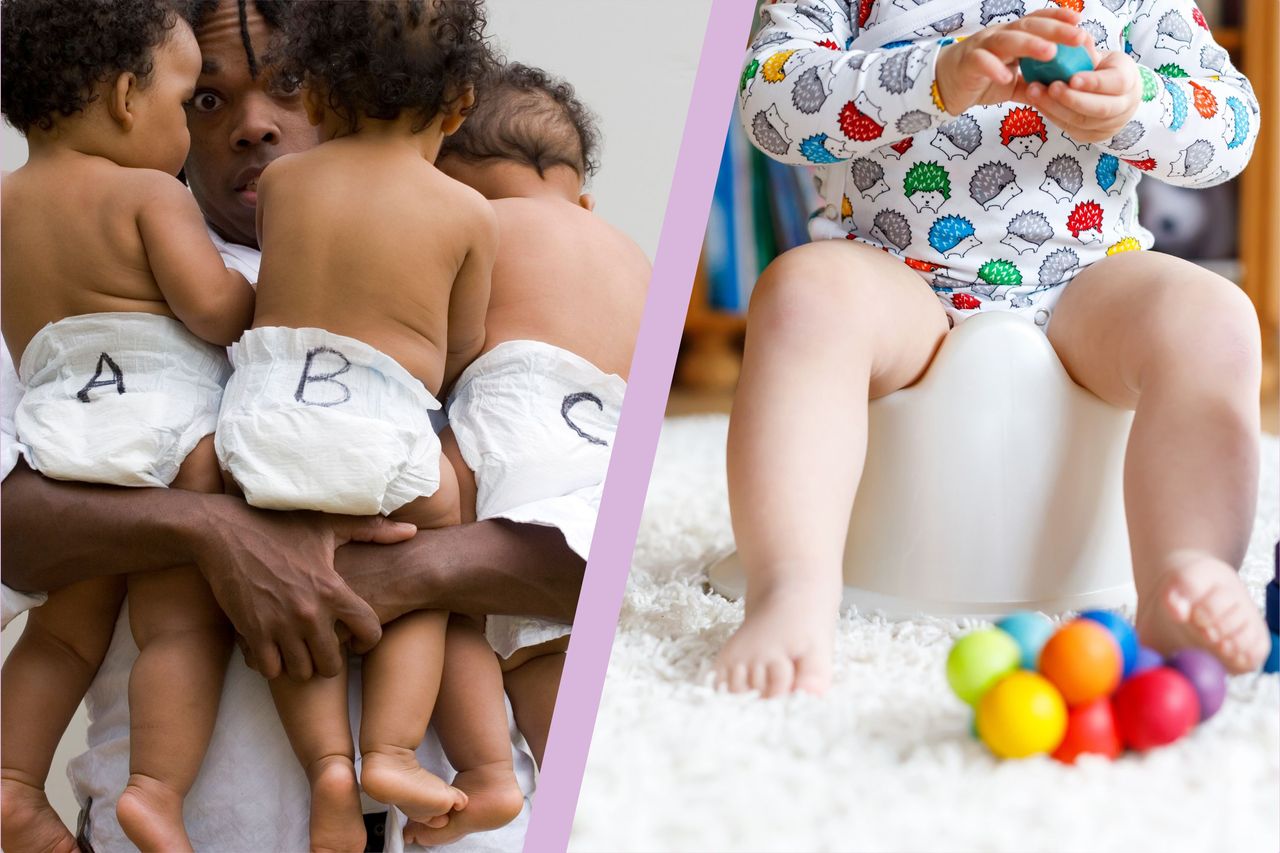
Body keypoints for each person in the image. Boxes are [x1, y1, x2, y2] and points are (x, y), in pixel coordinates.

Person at [0, 1, 581, 849]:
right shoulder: (91, 280)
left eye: (289, 85)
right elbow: (13, 531)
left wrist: (391, 574)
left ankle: (364, 771)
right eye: (206, 97)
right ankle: (349, 767)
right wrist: (219, 535)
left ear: (336, 91)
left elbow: (592, 554)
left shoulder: (511, 269)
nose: (253, 127)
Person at [717, 0, 1267, 698]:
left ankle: (1181, 573)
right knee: (802, 296)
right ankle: (790, 585)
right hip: (895, 277)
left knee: (1213, 318)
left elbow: (1232, 126)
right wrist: (932, 78)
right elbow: (768, 101)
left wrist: (1137, 107)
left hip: (1088, 282)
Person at [215, 2, 522, 848]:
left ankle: (327, 771)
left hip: (266, 423)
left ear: (311, 100)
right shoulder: (466, 212)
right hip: (383, 428)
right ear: (460, 105)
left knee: (286, 591)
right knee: (435, 551)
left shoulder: (284, 183)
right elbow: (456, 347)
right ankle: (389, 748)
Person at [0, 1, 256, 849]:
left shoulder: (7, 206)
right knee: (177, 623)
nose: (188, 125)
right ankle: (154, 788)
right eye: (188, 100)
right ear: (124, 98)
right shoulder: (148, 193)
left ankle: (9, 781)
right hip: (163, 423)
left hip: (59, 434)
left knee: (63, 634)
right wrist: (262, 292)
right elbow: (214, 312)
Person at [435, 63, 647, 794]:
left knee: (480, 621)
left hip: (516, 409)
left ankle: (486, 769)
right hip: (608, 437)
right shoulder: (625, 249)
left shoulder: (474, 224)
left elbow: (439, 352)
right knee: (566, 647)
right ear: (579, 194)